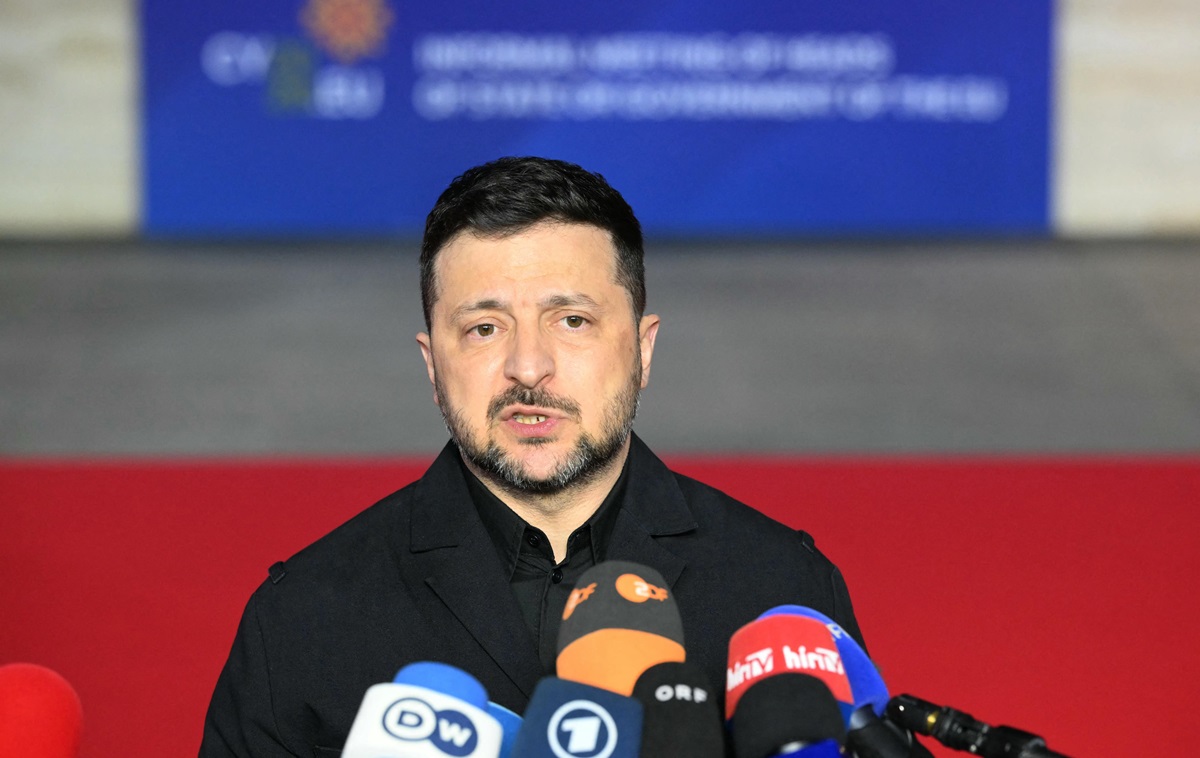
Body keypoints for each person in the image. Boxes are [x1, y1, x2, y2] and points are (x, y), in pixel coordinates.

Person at [199, 156, 864, 756]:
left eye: (571, 320)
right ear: (433, 366)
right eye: (484, 328)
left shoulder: (783, 591)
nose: (527, 366)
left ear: (643, 350)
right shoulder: (302, 618)